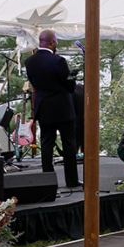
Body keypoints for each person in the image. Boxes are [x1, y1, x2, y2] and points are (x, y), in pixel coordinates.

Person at [25, 30, 79, 188]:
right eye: (56, 42)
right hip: (62, 108)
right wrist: (73, 78)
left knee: (47, 144)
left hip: (43, 108)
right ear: (52, 42)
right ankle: (71, 180)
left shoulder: (30, 62)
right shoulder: (59, 61)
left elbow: (36, 84)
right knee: (69, 144)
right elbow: (69, 87)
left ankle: (48, 181)